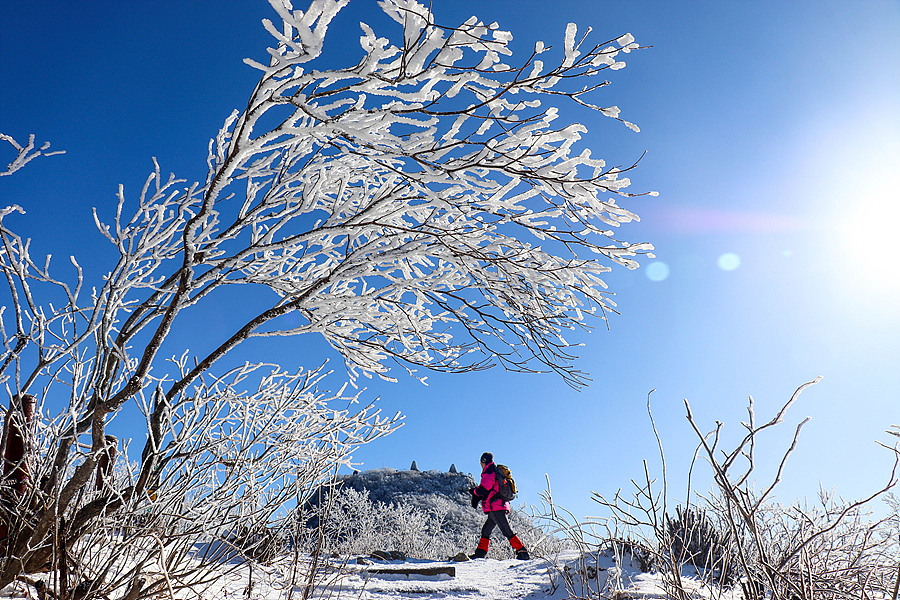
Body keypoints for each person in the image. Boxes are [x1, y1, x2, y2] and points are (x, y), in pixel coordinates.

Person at [469, 452, 530, 560]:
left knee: (506, 530)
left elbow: (485, 488)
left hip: (496, 507)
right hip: (497, 506)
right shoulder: (495, 471)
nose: (480, 465)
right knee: (486, 530)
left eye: (481, 462)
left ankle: (522, 551)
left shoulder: (489, 472)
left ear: (484, 461)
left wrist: (474, 492)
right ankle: (480, 553)